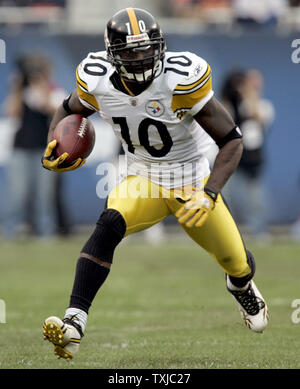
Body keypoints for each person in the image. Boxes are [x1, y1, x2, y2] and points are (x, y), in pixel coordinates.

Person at [41, 8, 268, 360]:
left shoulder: (180, 78)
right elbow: (68, 107)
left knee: (236, 261)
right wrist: (54, 140)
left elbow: (232, 140)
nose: (141, 57)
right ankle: (74, 322)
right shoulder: (96, 79)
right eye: (130, 52)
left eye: (147, 49)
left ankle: (240, 284)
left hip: (191, 183)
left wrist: (209, 194)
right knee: (108, 225)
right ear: (113, 55)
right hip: (142, 179)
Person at [4, 54, 66, 238]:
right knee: (18, 194)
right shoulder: (21, 90)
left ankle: (46, 232)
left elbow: (54, 110)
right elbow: (11, 112)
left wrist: (42, 86)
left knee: (44, 196)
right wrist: (17, 87)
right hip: (21, 148)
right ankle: (12, 230)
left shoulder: (53, 90)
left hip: (45, 148)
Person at [221, 69, 274, 238]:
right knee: (226, 195)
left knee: (255, 198)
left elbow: (256, 115)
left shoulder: (264, 106)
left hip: (253, 160)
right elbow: (224, 115)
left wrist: (249, 94)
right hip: (233, 156)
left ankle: (259, 231)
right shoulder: (233, 103)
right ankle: (226, 230)